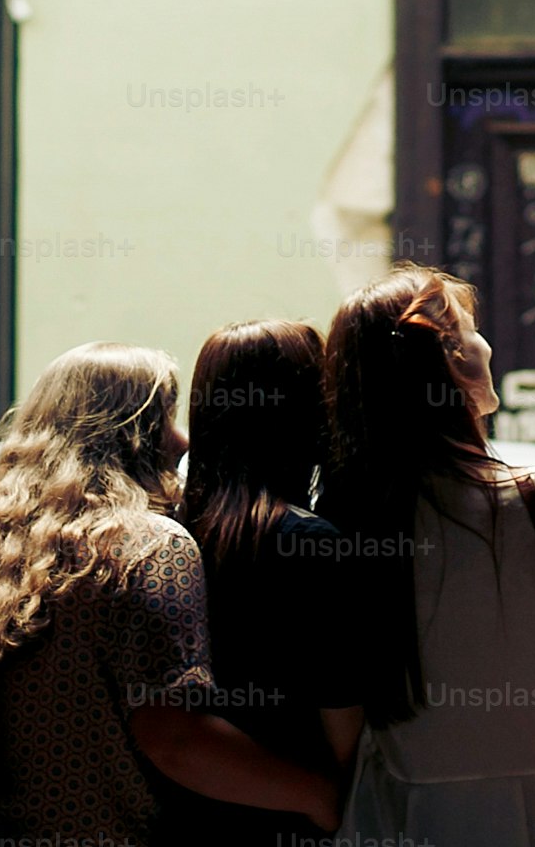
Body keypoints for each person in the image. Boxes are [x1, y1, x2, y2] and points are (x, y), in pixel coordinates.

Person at [0, 343, 342, 847]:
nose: (183, 440)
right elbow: (176, 738)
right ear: (131, 435)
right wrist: (317, 796)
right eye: (166, 417)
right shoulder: (149, 547)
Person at [322, 266, 535, 847]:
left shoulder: (344, 512)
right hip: (534, 816)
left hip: (397, 810)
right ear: (453, 359)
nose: (488, 343)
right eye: (472, 330)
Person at [168, 320, 368, 847]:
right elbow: (344, 721)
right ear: (307, 412)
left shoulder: (170, 535)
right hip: (298, 820)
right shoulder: (311, 542)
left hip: (186, 818)